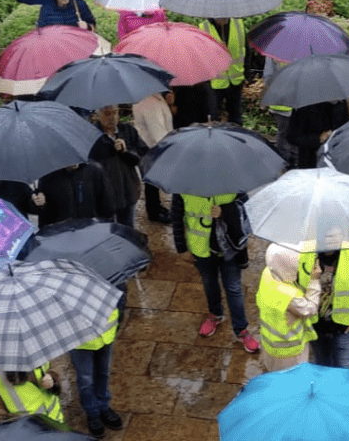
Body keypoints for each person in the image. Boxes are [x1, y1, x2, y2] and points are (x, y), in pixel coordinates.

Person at [173, 190, 259, 353]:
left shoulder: (232, 181)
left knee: (234, 289)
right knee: (209, 284)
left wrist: (225, 211)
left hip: (229, 249)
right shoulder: (183, 187)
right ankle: (215, 314)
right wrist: (181, 247)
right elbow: (176, 216)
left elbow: (248, 210)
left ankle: (241, 330)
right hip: (201, 249)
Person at [301, 241, 349, 370]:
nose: (328, 240)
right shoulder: (306, 253)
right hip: (316, 326)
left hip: (344, 327)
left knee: (345, 371)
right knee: (321, 368)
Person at [256, 243, 320, 371]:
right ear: (289, 267)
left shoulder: (267, 274)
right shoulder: (290, 295)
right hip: (290, 352)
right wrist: (313, 282)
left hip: (269, 345)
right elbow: (310, 309)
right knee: (293, 383)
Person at [69, 288, 122, 437]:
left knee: (103, 373)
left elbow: (118, 295)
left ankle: (104, 406)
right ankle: (92, 413)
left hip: (106, 333)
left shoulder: (103, 274)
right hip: (81, 341)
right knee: (86, 380)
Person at [89, 104, 147, 226]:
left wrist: (126, 151)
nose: (112, 117)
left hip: (128, 192)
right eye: (107, 114)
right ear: (97, 116)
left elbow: (141, 156)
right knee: (106, 232)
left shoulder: (128, 131)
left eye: (115, 113)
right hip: (104, 196)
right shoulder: (90, 135)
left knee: (128, 230)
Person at [131, 92, 174, 223]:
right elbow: (157, 132)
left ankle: (156, 208)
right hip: (152, 146)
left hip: (151, 145)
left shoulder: (153, 98)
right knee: (152, 182)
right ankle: (154, 212)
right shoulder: (149, 102)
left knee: (152, 181)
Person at [0, 364, 65, 426]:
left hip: (57, 426)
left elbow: (55, 369)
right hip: (29, 439)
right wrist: (20, 422)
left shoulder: (39, 362)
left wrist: (53, 380)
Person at [201, 16, 247, 124]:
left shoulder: (238, 24)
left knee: (236, 118)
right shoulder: (204, 27)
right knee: (213, 118)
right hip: (215, 83)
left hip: (236, 80)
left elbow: (246, 50)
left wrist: (246, 74)